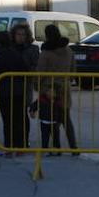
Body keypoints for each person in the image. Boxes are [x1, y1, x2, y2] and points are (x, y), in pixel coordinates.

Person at [36, 24, 78, 155]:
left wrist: (37, 86)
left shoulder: (46, 53)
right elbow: (73, 70)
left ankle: (56, 147)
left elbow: (40, 72)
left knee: (51, 119)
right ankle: (74, 147)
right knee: (66, 119)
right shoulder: (69, 51)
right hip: (64, 88)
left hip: (49, 89)